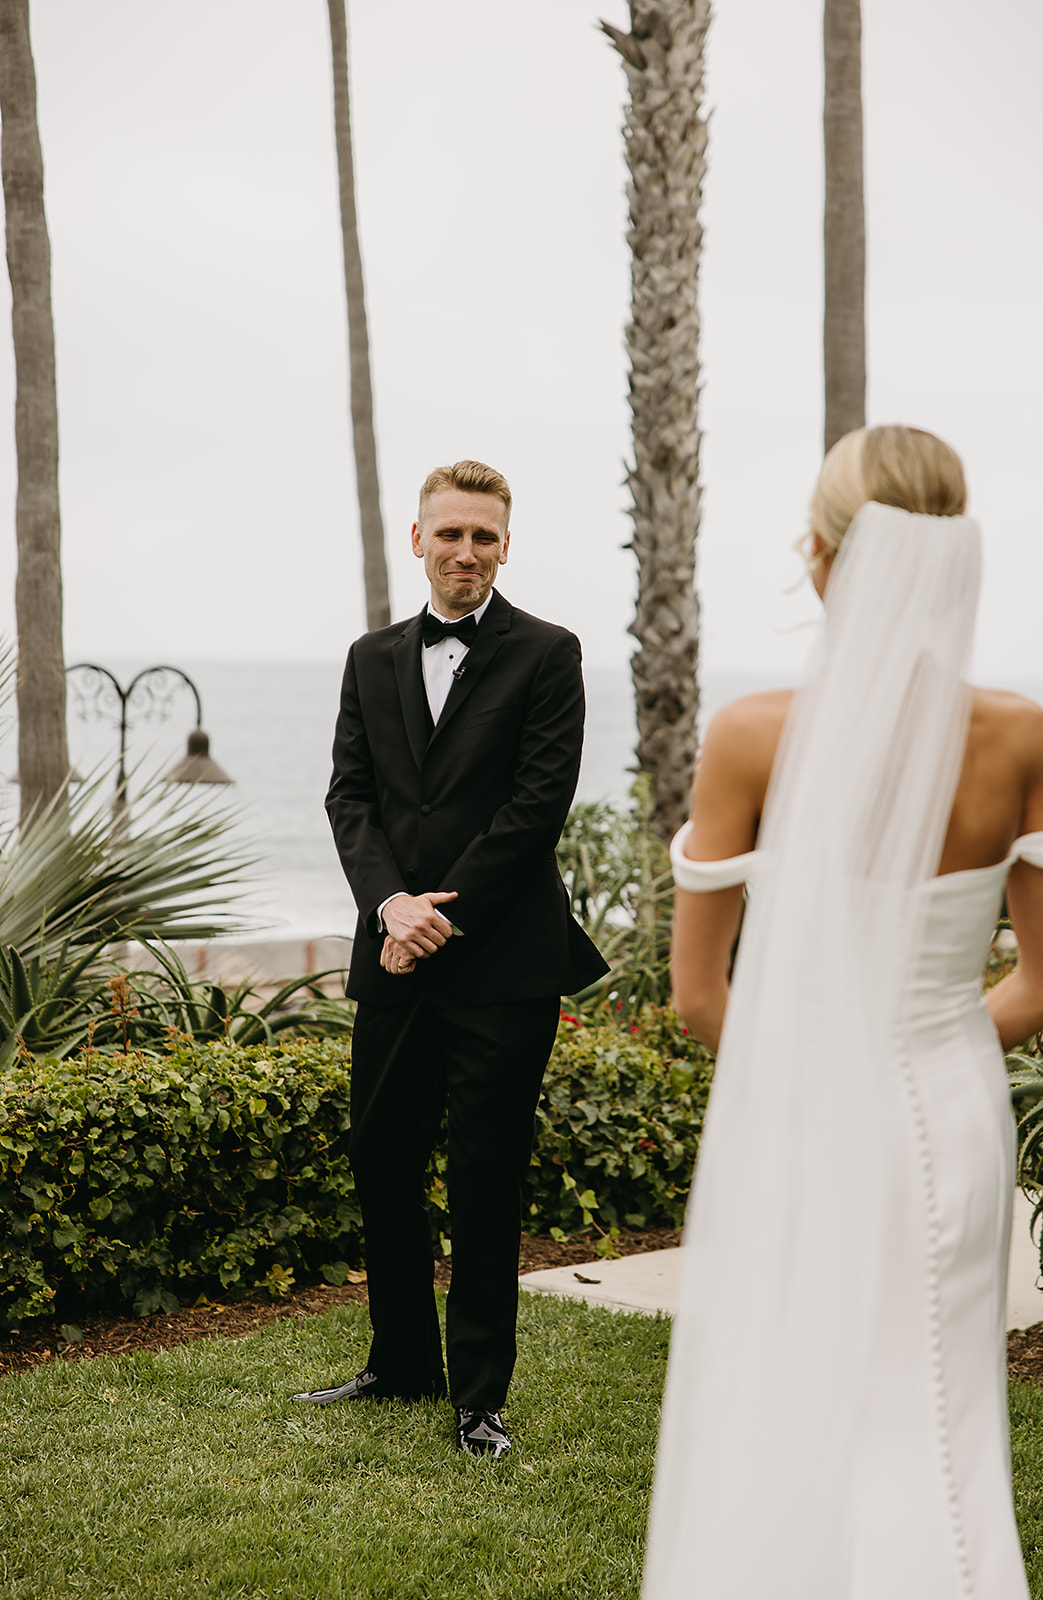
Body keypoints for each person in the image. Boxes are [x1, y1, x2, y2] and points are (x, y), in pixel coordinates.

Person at [643, 425, 1043, 1598]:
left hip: (797, 1114)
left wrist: (818, 1065)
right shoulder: (1022, 734)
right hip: (950, 1110)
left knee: (791, 1405)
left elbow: (695, 996)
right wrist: (920, 1051)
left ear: (826, 555)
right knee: (935, 1412)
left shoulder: (750, 737)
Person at [292, 458, 607, 1459]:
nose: (465, 550)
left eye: (483, 535)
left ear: (505, 545)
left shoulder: (549, 654)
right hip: (389, 954)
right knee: (381, 1160)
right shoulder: (367, 656)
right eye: (449, 533)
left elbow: (533, 809)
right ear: (418, 540)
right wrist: (390, 906)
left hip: (504, 963)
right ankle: (398, 1362)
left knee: (482, 1176)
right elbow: (351, 798)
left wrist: (437, 913)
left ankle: (477, 1397)